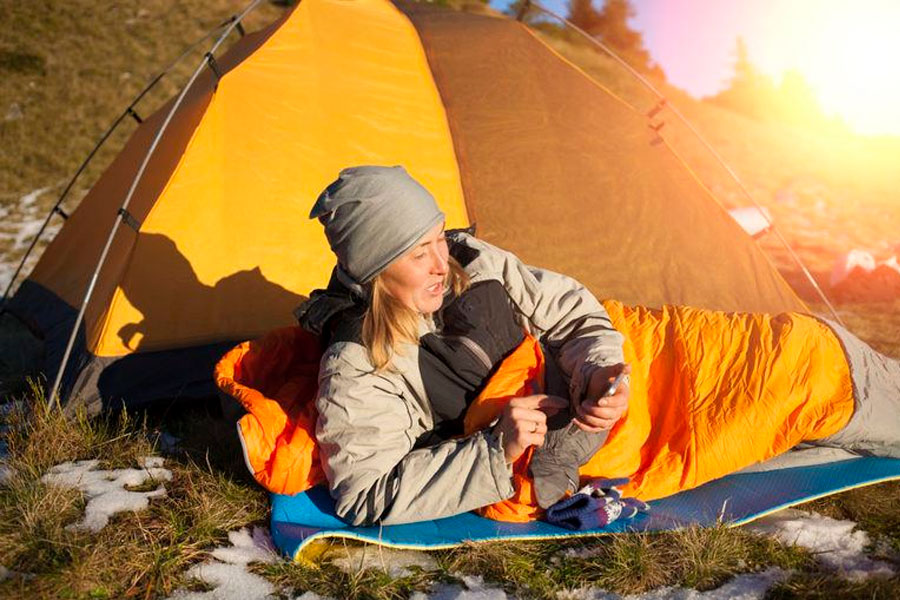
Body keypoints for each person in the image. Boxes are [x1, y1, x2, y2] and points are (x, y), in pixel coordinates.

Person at [296, 165, 631, 526]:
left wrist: (597, 371)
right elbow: (365, 493)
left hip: (580, 402)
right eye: (419, 253)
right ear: (375, 268)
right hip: (529, 461)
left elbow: (567, 310)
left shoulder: (468, 257)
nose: (442, 264)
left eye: (438, 237)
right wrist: (496, 448)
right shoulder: (361, 358)